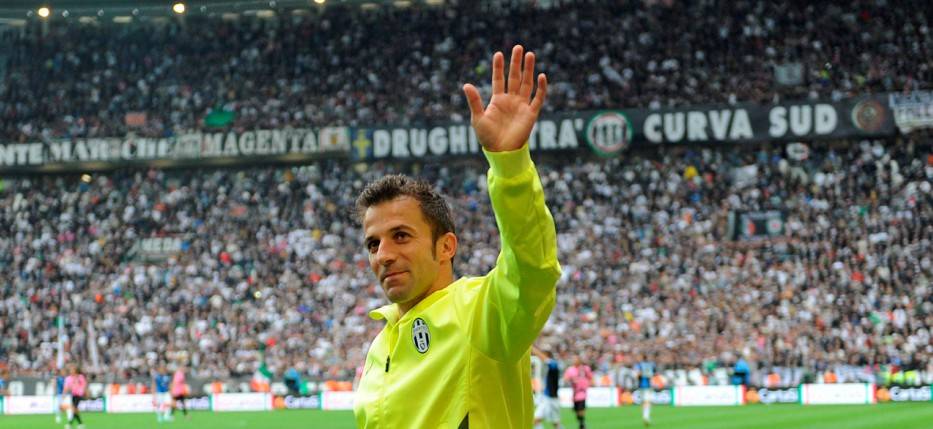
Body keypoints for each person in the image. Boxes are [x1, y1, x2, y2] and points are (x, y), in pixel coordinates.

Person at [353, 44, 560, 428]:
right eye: (373, 243)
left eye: (401, 236)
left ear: (446, 246)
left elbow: (533, 269)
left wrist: (511, 167)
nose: (383, 254)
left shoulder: (479, 313)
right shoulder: (380, 345)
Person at [532, 347, 562, 429]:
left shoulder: (554, 364)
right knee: (556, 424)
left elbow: (545, 359)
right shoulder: (547, 368)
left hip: (549, 398)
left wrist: (533, 349)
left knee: (535, 420)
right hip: (552, 398)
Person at [563, 356, 593, 429]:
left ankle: (582, 424)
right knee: (577, 412)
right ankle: (581, 422)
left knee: (581, 409)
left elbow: (591, 377)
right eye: (573, 359)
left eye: (575, 359)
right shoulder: (570, 369)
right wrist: (572, 380)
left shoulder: (585, 368)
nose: (574, 361)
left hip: (582, 392)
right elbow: (565, 379)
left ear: (579, 360)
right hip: (575, 393)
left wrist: (587, 384)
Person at [62, 364, 87, 429]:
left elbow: (84, 385)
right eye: (70, 370)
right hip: (73, 394)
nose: (71, 371)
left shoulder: (80, 377)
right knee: (74, 409)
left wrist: (83, 391)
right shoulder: (69, 378)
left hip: (79, 394)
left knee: (74, 408)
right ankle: (80, 424)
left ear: (75, 370)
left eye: (72, 370)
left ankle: (70, 424)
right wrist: (64, 394)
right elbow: (66, 387)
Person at [635, 354, 657, 427]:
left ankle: (645, 417)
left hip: (641, 385)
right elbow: (653, 374)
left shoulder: (639, 365)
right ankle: (646, 417)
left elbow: (637, 374)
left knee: (644, 402)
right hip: (648, 385)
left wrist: (639, 375)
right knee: (647, 401)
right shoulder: (651, 364)